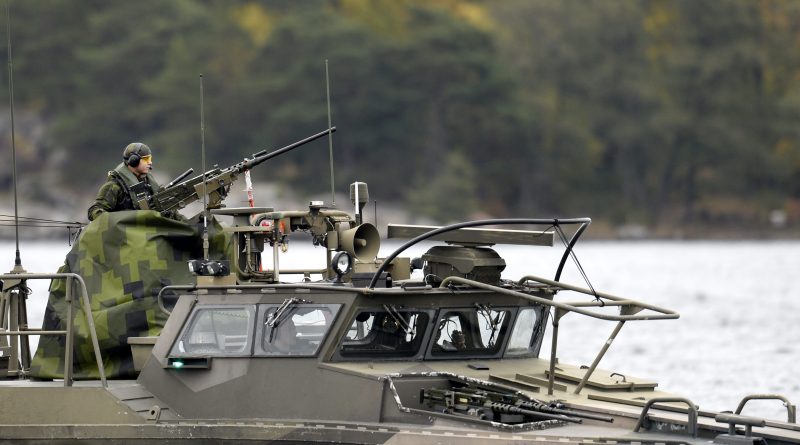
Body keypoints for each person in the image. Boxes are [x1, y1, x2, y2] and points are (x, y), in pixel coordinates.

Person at [87, 142, 181, 221]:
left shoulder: (148, 184)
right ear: (133, 161)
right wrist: (118, 222)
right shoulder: (114, 186)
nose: (150, 162)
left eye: (150, 159)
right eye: (146, 159)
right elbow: (94, 211)